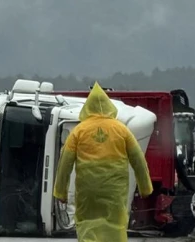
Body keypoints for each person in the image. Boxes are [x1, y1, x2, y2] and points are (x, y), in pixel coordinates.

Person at [52, 82, 153, 242]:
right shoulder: (122, 130)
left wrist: (61, 192)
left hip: (87, 191)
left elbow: (64, 163)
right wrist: (145, 188)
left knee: (87, 224)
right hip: (114, 192)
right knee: (115, 226)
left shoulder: (79, 131)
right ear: (109, 107)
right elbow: (138, 159)